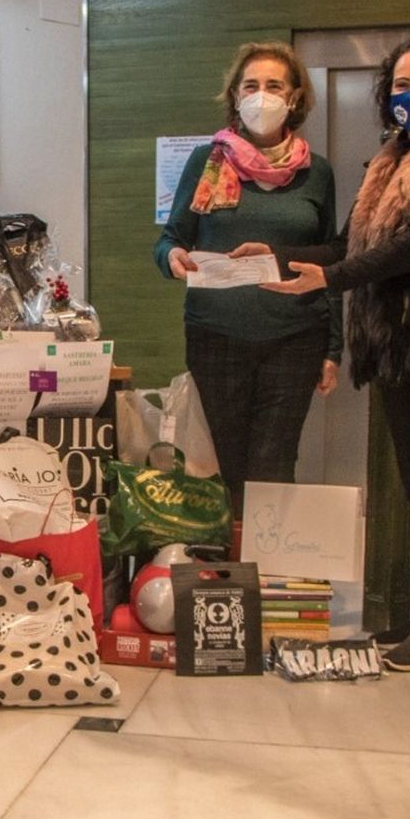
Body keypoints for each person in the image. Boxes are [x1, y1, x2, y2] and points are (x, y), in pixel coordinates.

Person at [247, 36, 410, 672]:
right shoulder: (389, 162)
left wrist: (330, 281)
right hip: (396, 346)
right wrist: (277, 257)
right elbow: (348, 246)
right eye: (401, 85)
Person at [152, 41, 341, 516]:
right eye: (251, 86)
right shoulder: (208, 162)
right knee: (222, 465)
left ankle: (266, 558)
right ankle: (226, 559)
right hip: (216, 337)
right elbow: (170, 239)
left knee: (273, 465)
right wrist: (171, 256)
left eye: (274, 86)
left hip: (295, 338)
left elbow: (333, 262)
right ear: (235, 96)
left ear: (294, 97)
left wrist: (333, 349)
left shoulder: (317, 173)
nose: (261, 96)